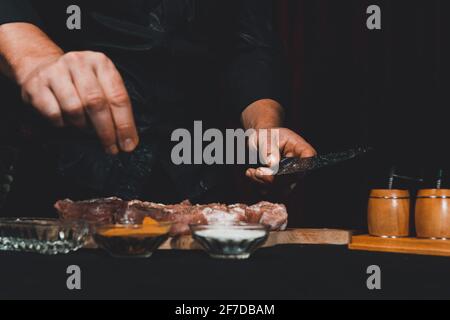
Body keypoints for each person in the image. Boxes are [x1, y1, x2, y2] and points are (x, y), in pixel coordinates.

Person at [0, 0, 316, 203]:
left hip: (195, 179)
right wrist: (35, 58)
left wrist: (265, 128)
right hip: (63, 174)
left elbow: (248, 39)